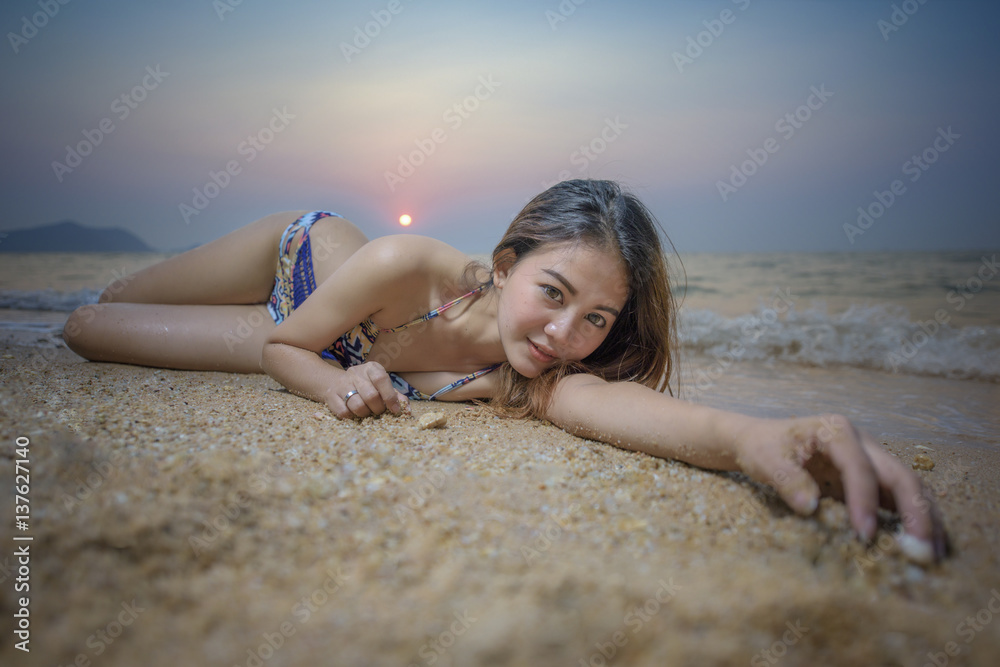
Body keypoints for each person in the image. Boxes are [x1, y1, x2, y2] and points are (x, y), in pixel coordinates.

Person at [63, 179, 946, 562]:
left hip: (310, 337)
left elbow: (627, 413)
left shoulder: (543, 375)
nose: (564, 331)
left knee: (91, 331)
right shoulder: (407, 263)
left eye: (597, 318)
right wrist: (337, 384)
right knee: (91, 316)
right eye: (553, 291)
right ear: (506, 260)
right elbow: (280, 346)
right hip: (301, 274)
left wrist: (759, 437)